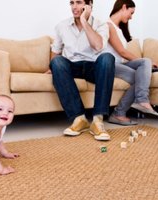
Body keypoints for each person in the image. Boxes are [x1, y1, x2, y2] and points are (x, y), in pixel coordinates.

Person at [49, 0, 115, 141]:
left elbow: (98, 46)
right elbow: (55, 51)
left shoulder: (101, 24)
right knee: (56, 62)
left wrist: (84, 21)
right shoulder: (62, 26)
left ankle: (97, 120)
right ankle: (79, 119)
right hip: (72, 66)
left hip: (94, 67)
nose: (74, 7)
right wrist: (54, 68)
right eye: (72, 3)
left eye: (79, 2)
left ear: (89, 5)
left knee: (108, 58)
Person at [105, 0, 158, 126]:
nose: (131, 16)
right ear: (124, 7)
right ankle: (119, 113)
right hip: (109, 65)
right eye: (131, 12)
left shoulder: (118, 29)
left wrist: (148, 64)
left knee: (146, 62)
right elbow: (122, 52)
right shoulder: (107, 25)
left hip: (118, 64)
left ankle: (141, 100)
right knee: (140, 77)